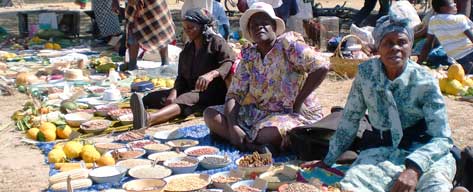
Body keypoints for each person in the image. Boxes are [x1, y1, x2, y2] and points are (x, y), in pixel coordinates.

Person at [303, 12, 473, 192]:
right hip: (383, 149)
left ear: (410, 45)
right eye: (388, 43)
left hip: (425, 149)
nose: (395, 48)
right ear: (377, 47)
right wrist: (328, 159)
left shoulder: (425, 80)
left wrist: (413, 168)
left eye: (402, 42)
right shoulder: (366, 74)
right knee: (356, 183)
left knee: (434, 184)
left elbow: (442, 137)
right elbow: (350, 120)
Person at [203, 2, 329, 153]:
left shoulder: (288, 46)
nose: (259, 27)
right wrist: (233, 126)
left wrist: (298, 101)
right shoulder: (249, 56)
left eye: (265, 23)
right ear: (249, 31)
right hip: (260, 113)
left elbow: (321, 66)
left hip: (291, 114)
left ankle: (251, 141)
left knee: (269, 134)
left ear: (274, 27)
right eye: (254, 25)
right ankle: (250, 144)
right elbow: (234, 94)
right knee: (210, 114)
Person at [131, 8, 236, 129]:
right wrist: (173, 92)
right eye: (185, 28)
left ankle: (148, 120)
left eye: (191, 28)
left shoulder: (216, 42)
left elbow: (229, 61)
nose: (187, 31)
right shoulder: (187, 49)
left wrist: (212, 74)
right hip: (189, 88)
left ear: (202, 27)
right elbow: (181, 77)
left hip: (211, 92)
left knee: (184, 99)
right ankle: (137, 114)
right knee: (151, 98)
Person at [418, 0, 473, 74]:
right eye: (452, 3)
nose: (455, 4)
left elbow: (428, 45)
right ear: (443, 8)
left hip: (460, 65)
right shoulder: (460, 18)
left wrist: (419, 62)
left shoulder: (432, 21)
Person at [121, 0, 175, 70]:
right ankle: (132, 65)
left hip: (154, 3)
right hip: (134, 6)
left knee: (160, 28)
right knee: (133, 29)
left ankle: (165, 63)